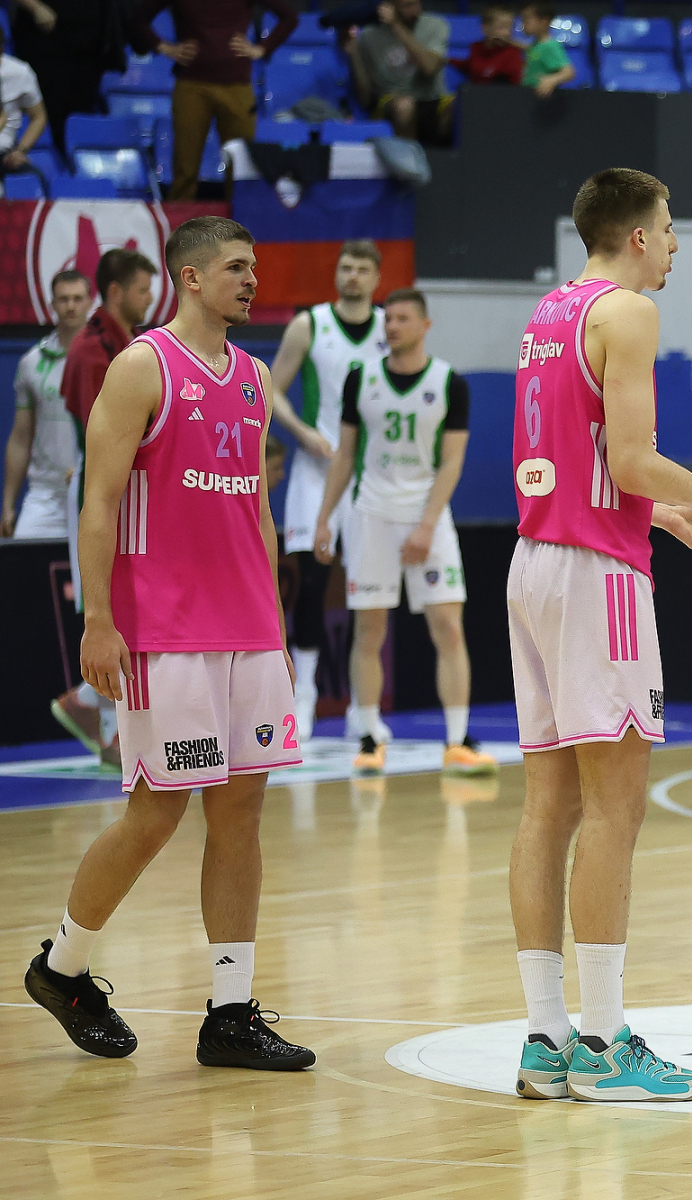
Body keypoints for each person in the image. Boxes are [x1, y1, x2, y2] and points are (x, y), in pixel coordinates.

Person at [505, 167, 692, 1104]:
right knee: (615, 808)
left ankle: (546, 1039)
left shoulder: (550, 310)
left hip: (534, 562)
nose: (674, 245)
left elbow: (583, 458)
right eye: (669, 228)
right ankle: (604, 1043)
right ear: (636, 236)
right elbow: (630, 459)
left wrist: (663, 515)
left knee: (547, 807)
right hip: (595, 579)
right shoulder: (628, 312)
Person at [23, 215, 314, 1072]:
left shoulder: (254, 377)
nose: (251, 280)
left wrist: (276, 626)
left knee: (242, 815)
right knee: (156, 815)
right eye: (236, 267)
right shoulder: (142, 366)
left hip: (248, 628)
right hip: (168, 630)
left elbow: (258, 512)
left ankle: (230, 1013)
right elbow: (99, 504)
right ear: (189, 277)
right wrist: (99, 619)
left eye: (254, 267)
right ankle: (61, 967)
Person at [311, 289, 496, 777]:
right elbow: (345, 454)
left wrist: (427, 524)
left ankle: (458, 739)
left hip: (426, 514)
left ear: (425, 325)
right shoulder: (362, 378)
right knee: (369, 629)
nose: (391, 326)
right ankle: (370, 737)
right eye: (388, 319)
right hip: (371, 514)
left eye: (402, 318)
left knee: (448, 627)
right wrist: (325, 517)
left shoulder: (449, 383)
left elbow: (452, 461)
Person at [267, 240, 388, 743]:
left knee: (369, 589)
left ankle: (364, 707)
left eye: (362, 269)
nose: (352, 275)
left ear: (376, 278)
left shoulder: (389, 328)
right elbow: (270, 388)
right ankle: (304, 698)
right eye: (345, 267)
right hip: (317, 472)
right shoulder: (309, 325)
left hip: (370, 476)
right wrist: (301, 431)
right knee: (313, 584)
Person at [49, 247, 156, 765]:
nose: (150, 299)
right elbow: (105, 438)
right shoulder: (94, 351)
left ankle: (87, 701)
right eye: (142, 290)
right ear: (116, 292)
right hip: (102, 488)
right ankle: (113, 729)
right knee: (109, 604)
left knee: (133, 602)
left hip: (129, 488)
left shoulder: (130, 342)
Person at [131, 0, 298, 203]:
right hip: (191, 86)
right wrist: (165, 47)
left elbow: (289, 18)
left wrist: (262, 49)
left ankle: (239, 221)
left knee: (240, 168)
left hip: (236, 87)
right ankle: (180, 222)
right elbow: (138, 18)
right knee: (185, 170)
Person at [5, 270, 89, 539]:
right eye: (64, 299)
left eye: (78, 298)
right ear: (52, 304)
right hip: (45, 495)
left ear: (90, 302)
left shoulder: (110, 359)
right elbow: (21, 438)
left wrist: (90, 470)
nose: (71, 306)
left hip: (95, 491)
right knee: (22, 559)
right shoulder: (32, 362)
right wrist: (7, 504)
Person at [7, 0, 123, 154]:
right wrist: (35, 7)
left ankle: (76, 158)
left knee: (82, 112)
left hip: (90, 45)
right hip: (46, 40)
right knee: (51, 111)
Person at [350, 0, 454, 146]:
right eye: (407, 6)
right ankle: (407, 158)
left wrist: (397, 26)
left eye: (416, 3)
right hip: (392, 101)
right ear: (388, 7)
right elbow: (365, 97)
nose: (415, 11)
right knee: (404, 106)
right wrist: (353, 53)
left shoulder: (435, 25)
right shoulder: (369, 35)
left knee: (460, 105)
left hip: (432, 98)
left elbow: (429, 67)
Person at [1, 51, 49, 181]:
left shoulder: (19, 73)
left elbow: (38, 117)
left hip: (4, 157)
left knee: (34, 178)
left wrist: (21, 150)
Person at [449, 5, 524, 87]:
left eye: (510, 28)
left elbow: (514, 84)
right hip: (474, 91)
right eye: (501, 27)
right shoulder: (476, 48)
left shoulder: (512, 53)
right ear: (485, 28)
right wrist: (447, 60)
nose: (507, 33)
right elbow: (470, 66)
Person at [519, 2, 573, 98]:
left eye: (527, 19)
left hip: (542, 98)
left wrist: (551, 80)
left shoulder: (550, 46)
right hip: (529, 96)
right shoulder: (535, 45)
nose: (523, 24)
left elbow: (569, 72)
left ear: (544, 21)